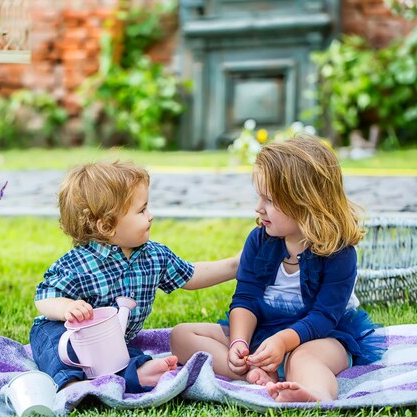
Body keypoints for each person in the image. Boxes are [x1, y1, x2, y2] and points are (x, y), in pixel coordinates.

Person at [170, 136, 386, 402]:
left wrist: (284, 342)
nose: (258, 207)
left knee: (304, 359)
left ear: (306, 201)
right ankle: (255, 373)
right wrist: (239, 343)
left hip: (318, 337)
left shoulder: (338, 253)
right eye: (259, 196)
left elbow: (324, 316)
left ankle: (315, 395)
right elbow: (245, 298)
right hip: (262, 333)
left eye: (269, 199)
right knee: (182, 335)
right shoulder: (259, 240)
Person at [30, 161, 240, 394]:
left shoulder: (154, 255)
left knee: (130, 356)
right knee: (55, 347)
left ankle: (135, 374)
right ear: (107, 226)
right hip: (66, 334)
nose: (150, 216)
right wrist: (67, 307)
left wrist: (234, 266)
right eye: (142, 210)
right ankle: (71, 384)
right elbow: (45, 297)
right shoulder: (78, 262)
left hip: (111, 344)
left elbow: (191, 275)